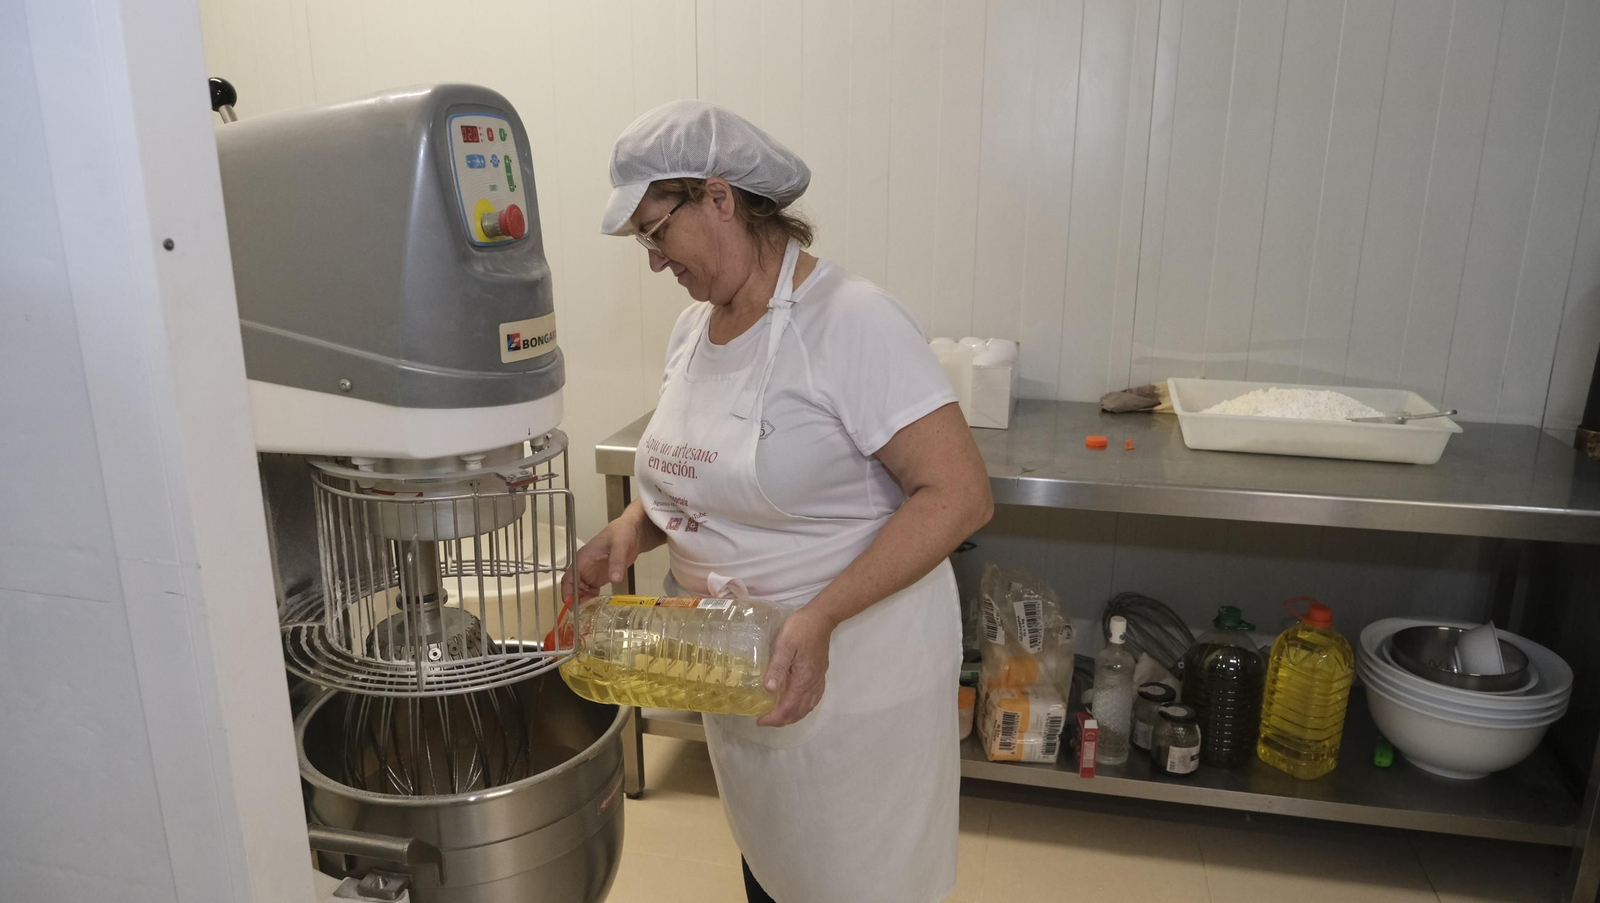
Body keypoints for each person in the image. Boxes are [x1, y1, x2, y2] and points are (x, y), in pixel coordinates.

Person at [567, 99, 993, 903]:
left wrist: (823, 615)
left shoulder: (852, 321)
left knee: (859, 882)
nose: (654, 261)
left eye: (656, 230)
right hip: (741, 676)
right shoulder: (695, 331)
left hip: (856, 686)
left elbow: (961, 495)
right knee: (775, 870)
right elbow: (703, 483)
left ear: (719, 197)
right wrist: (631, 528)